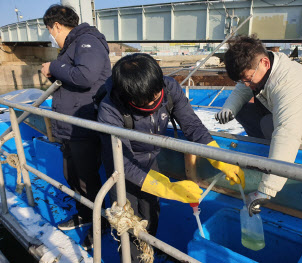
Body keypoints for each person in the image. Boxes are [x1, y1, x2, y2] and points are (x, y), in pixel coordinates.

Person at [97, 53, 245, 262]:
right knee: (128, 223)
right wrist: (168, 187)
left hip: (151, 160)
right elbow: (123, 161)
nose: (155, 101)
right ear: (129, 97)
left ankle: (149, 250)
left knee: (151, 213)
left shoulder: (168, 88)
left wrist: (219, 158)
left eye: (157, 95)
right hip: (122, 168)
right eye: (147, 100)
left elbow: (192, 126)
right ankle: (134, 258)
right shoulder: (109, 110)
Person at [215, 35, 302, 216]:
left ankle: (277, 165)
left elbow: (287, 133)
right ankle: (267, 154)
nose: (247, 84)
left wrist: (266, 190)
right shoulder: (262, 68)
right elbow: (244, 86)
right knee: (244, 110)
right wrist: (229, 108)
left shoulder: (287, 81)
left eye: (248, 79)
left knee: (270, 124)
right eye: (243, 80)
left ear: (265, 62)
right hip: (299, 126)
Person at [41, 4, 111, 249]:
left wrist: (53, 67)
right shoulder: (73, 45)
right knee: (73, 175)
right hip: (70, 126)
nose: (52, 36)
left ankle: (99, 222)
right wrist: (56, 72)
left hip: (84, 124)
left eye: (51, 31)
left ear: (57, 25)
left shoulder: (87, 40)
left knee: (86, 178)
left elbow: (86, 76)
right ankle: (84, 212)